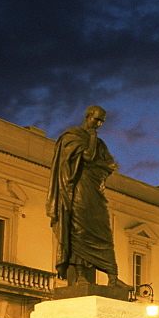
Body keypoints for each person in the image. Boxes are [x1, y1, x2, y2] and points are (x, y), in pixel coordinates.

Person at [47, 105, 126, 287]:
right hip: (79, 191)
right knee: (79, 232)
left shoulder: (100, 144)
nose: (98, 124)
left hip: (95, 191)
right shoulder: (72, 136)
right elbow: (89, 157)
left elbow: (110, 165)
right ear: (88, 116)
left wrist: (97, 164)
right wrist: (91, 138)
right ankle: (80, 274)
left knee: (104, 232)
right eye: (96, 119)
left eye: (101, 122)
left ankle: (113, 277)